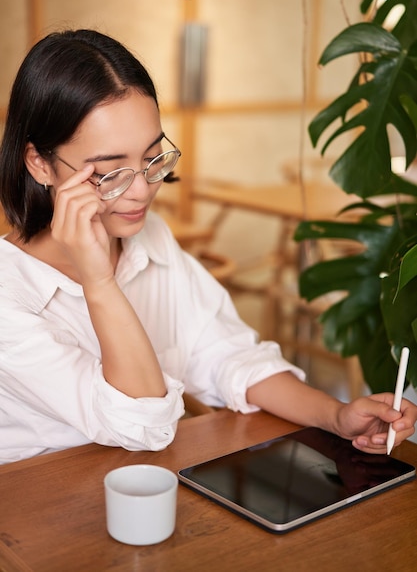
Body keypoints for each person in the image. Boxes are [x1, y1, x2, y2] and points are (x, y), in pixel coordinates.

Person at [0, 29, 415, 464]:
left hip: (145, 487)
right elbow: (143, 424)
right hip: (42, 514)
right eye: (110, 172)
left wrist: (336, 415)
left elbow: (230, 357)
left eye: (152, 158)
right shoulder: (11, 295)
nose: (141, 191)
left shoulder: (149, 237)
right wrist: (99, 281)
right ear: (39, 163)